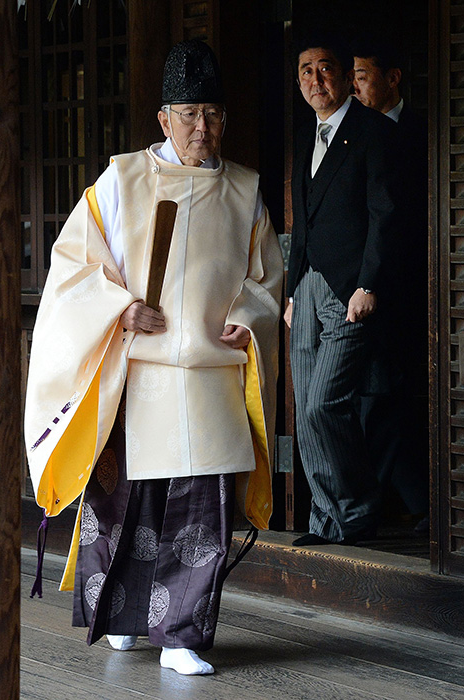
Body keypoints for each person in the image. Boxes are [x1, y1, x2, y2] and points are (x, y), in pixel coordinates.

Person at [24, 39, 282, 676]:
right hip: (138, 371)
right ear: (164, 119)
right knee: (128, 505)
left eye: (215, 115)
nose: (204, 128)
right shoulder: (122, 181)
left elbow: (267, 279)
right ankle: (125, 622)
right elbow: (74, 268)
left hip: (212, 376)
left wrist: (248, 318)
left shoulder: (246, 191)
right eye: (191, 114)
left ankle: (183, 635)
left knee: (203, 510)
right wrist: (119, 308)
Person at [285, 33, 398, 546]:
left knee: (322, 405)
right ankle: (326, 521)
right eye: (306, 70)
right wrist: (290, 292)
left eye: (325, 68)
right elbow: (303, 224)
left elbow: (385, 213)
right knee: (304, 406)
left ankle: (358, 507)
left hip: (350, 290)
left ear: (345, 75)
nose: (316, 79)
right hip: (306, 287)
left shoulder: (372, 130)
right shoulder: (304, 133)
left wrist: (368, 283)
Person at [353, 38, 429, 531]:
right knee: (375, 395)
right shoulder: (353, 133)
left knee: (414, 395)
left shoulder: (422, 131)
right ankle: (402, 503)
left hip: (423, 282)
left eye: (362, 76)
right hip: (371, 285)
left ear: (393, 78)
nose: (355, 86)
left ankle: (423, 503)